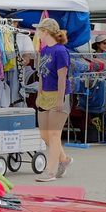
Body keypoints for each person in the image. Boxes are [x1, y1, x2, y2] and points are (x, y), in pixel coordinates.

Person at [35, 19, 72, 179]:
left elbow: (62, 77)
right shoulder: (44, 51)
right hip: (45, 96)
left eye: (39, 31)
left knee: (54, 134)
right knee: (45, 135)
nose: (37, 34)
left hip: (58, 94)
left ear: (45, 31)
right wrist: (39, 94)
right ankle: (63, 160)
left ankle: (50, 171)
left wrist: (60, 99)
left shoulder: (60, 51)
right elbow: (42, 74)